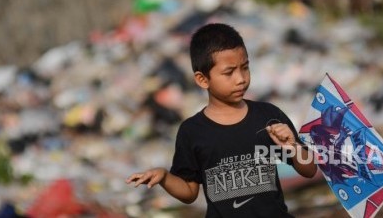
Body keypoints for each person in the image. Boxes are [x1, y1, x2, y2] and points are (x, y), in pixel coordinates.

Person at [126, 23, 317, 217]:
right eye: (229, 72)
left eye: (245, 68)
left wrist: (293, 148)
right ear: (202, 79)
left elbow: (309, 170)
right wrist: (165, 177)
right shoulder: (192, 131)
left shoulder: (267, 116)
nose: (240, 78)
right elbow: (189, 192)